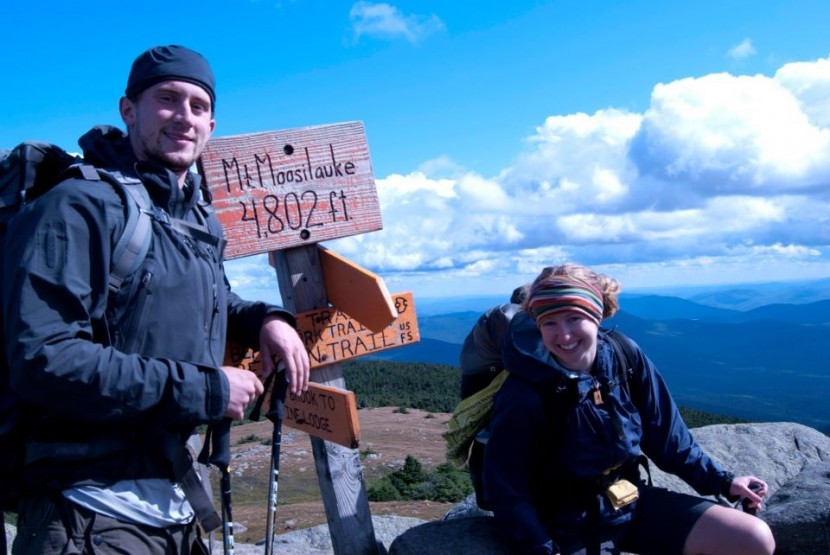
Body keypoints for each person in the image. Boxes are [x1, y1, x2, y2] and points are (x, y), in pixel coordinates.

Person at [2, 45, 310, 554]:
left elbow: (207, 301)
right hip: (87, 514)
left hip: (177, 507)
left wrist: (266, 319)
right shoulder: (78, 206)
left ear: (211, 124)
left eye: (198, 106)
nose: (184, 118)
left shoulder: (192, 218)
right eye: (167, 99)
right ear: (129, 110)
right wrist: (208, 392)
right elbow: (45, 358)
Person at [482, 263, 775, 555]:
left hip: (630, 501)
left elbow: (667, 438)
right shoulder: (524, 393)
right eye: (550, 323)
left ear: (596, 315)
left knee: (752, 538)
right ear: (538, 326)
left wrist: (723, 482)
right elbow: (507, 486)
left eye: (574, 318)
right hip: (567, 524)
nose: (565, 335)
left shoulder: (623, 355)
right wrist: (541, 548)